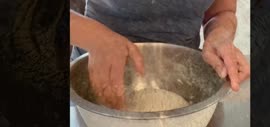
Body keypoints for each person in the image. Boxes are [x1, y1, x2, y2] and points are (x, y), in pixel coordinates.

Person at [70, 0, 250, 108]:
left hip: (183, 84)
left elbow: (221, 11)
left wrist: (220, 35)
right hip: (96, 80)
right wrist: (97, 39)